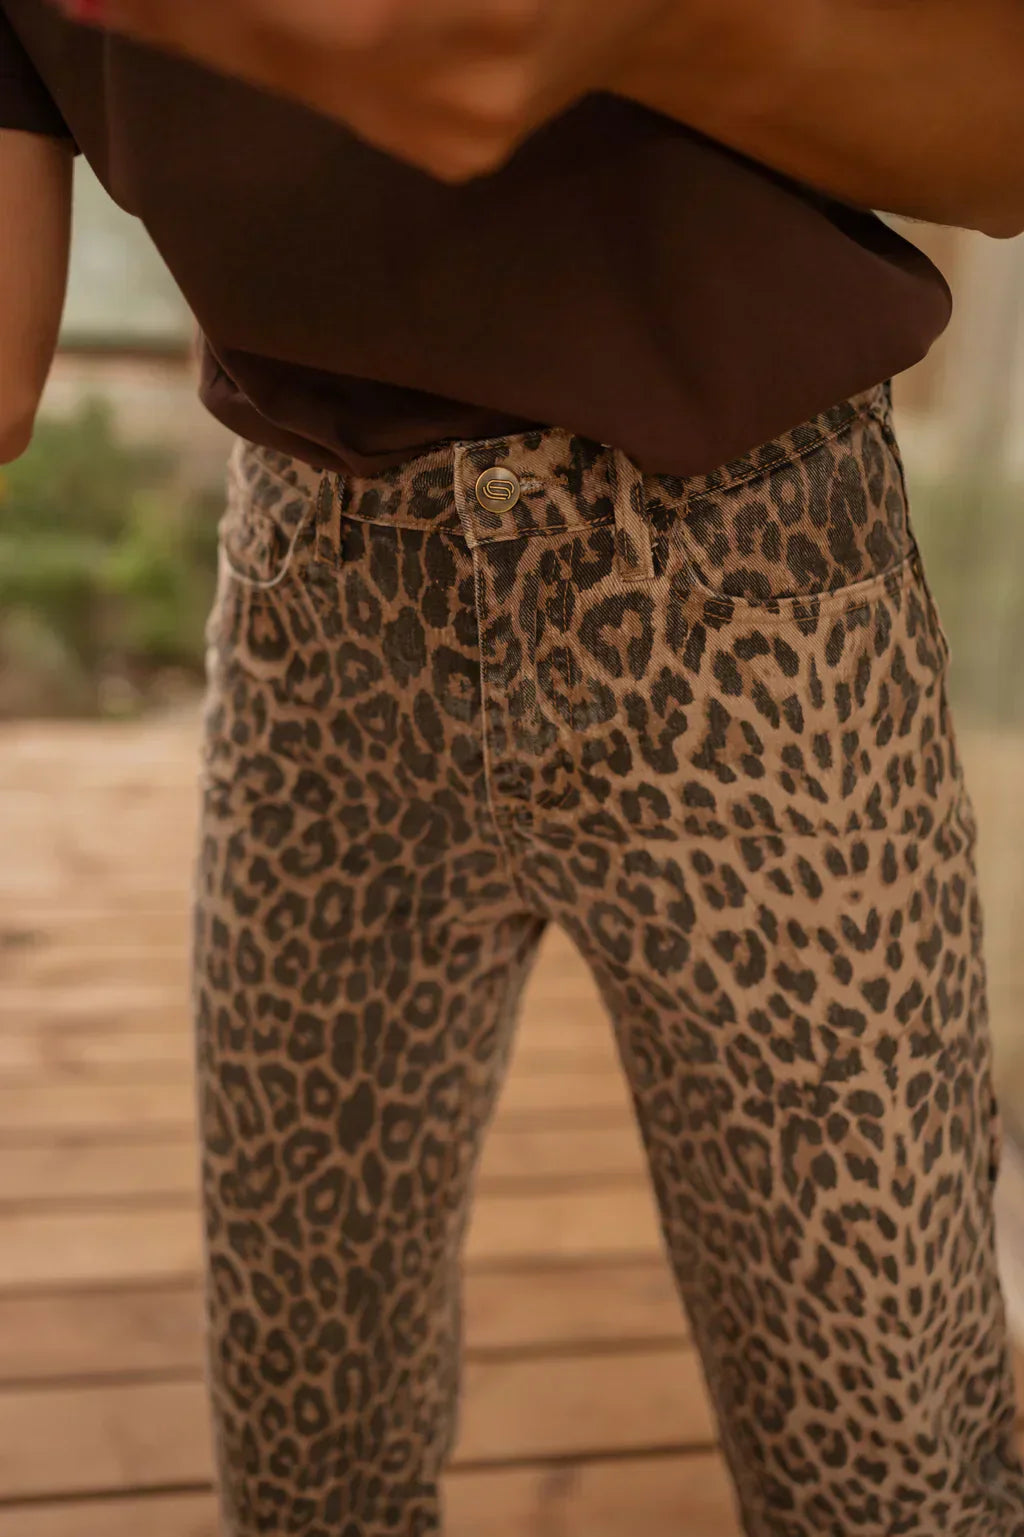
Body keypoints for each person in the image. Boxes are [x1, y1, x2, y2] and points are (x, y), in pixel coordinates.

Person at [3, 1, 1023, 1533]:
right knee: (306, 1466)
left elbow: (1003, 138)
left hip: (748, 597)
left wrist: (624, 29)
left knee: (889, 1472)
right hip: (322, 596)